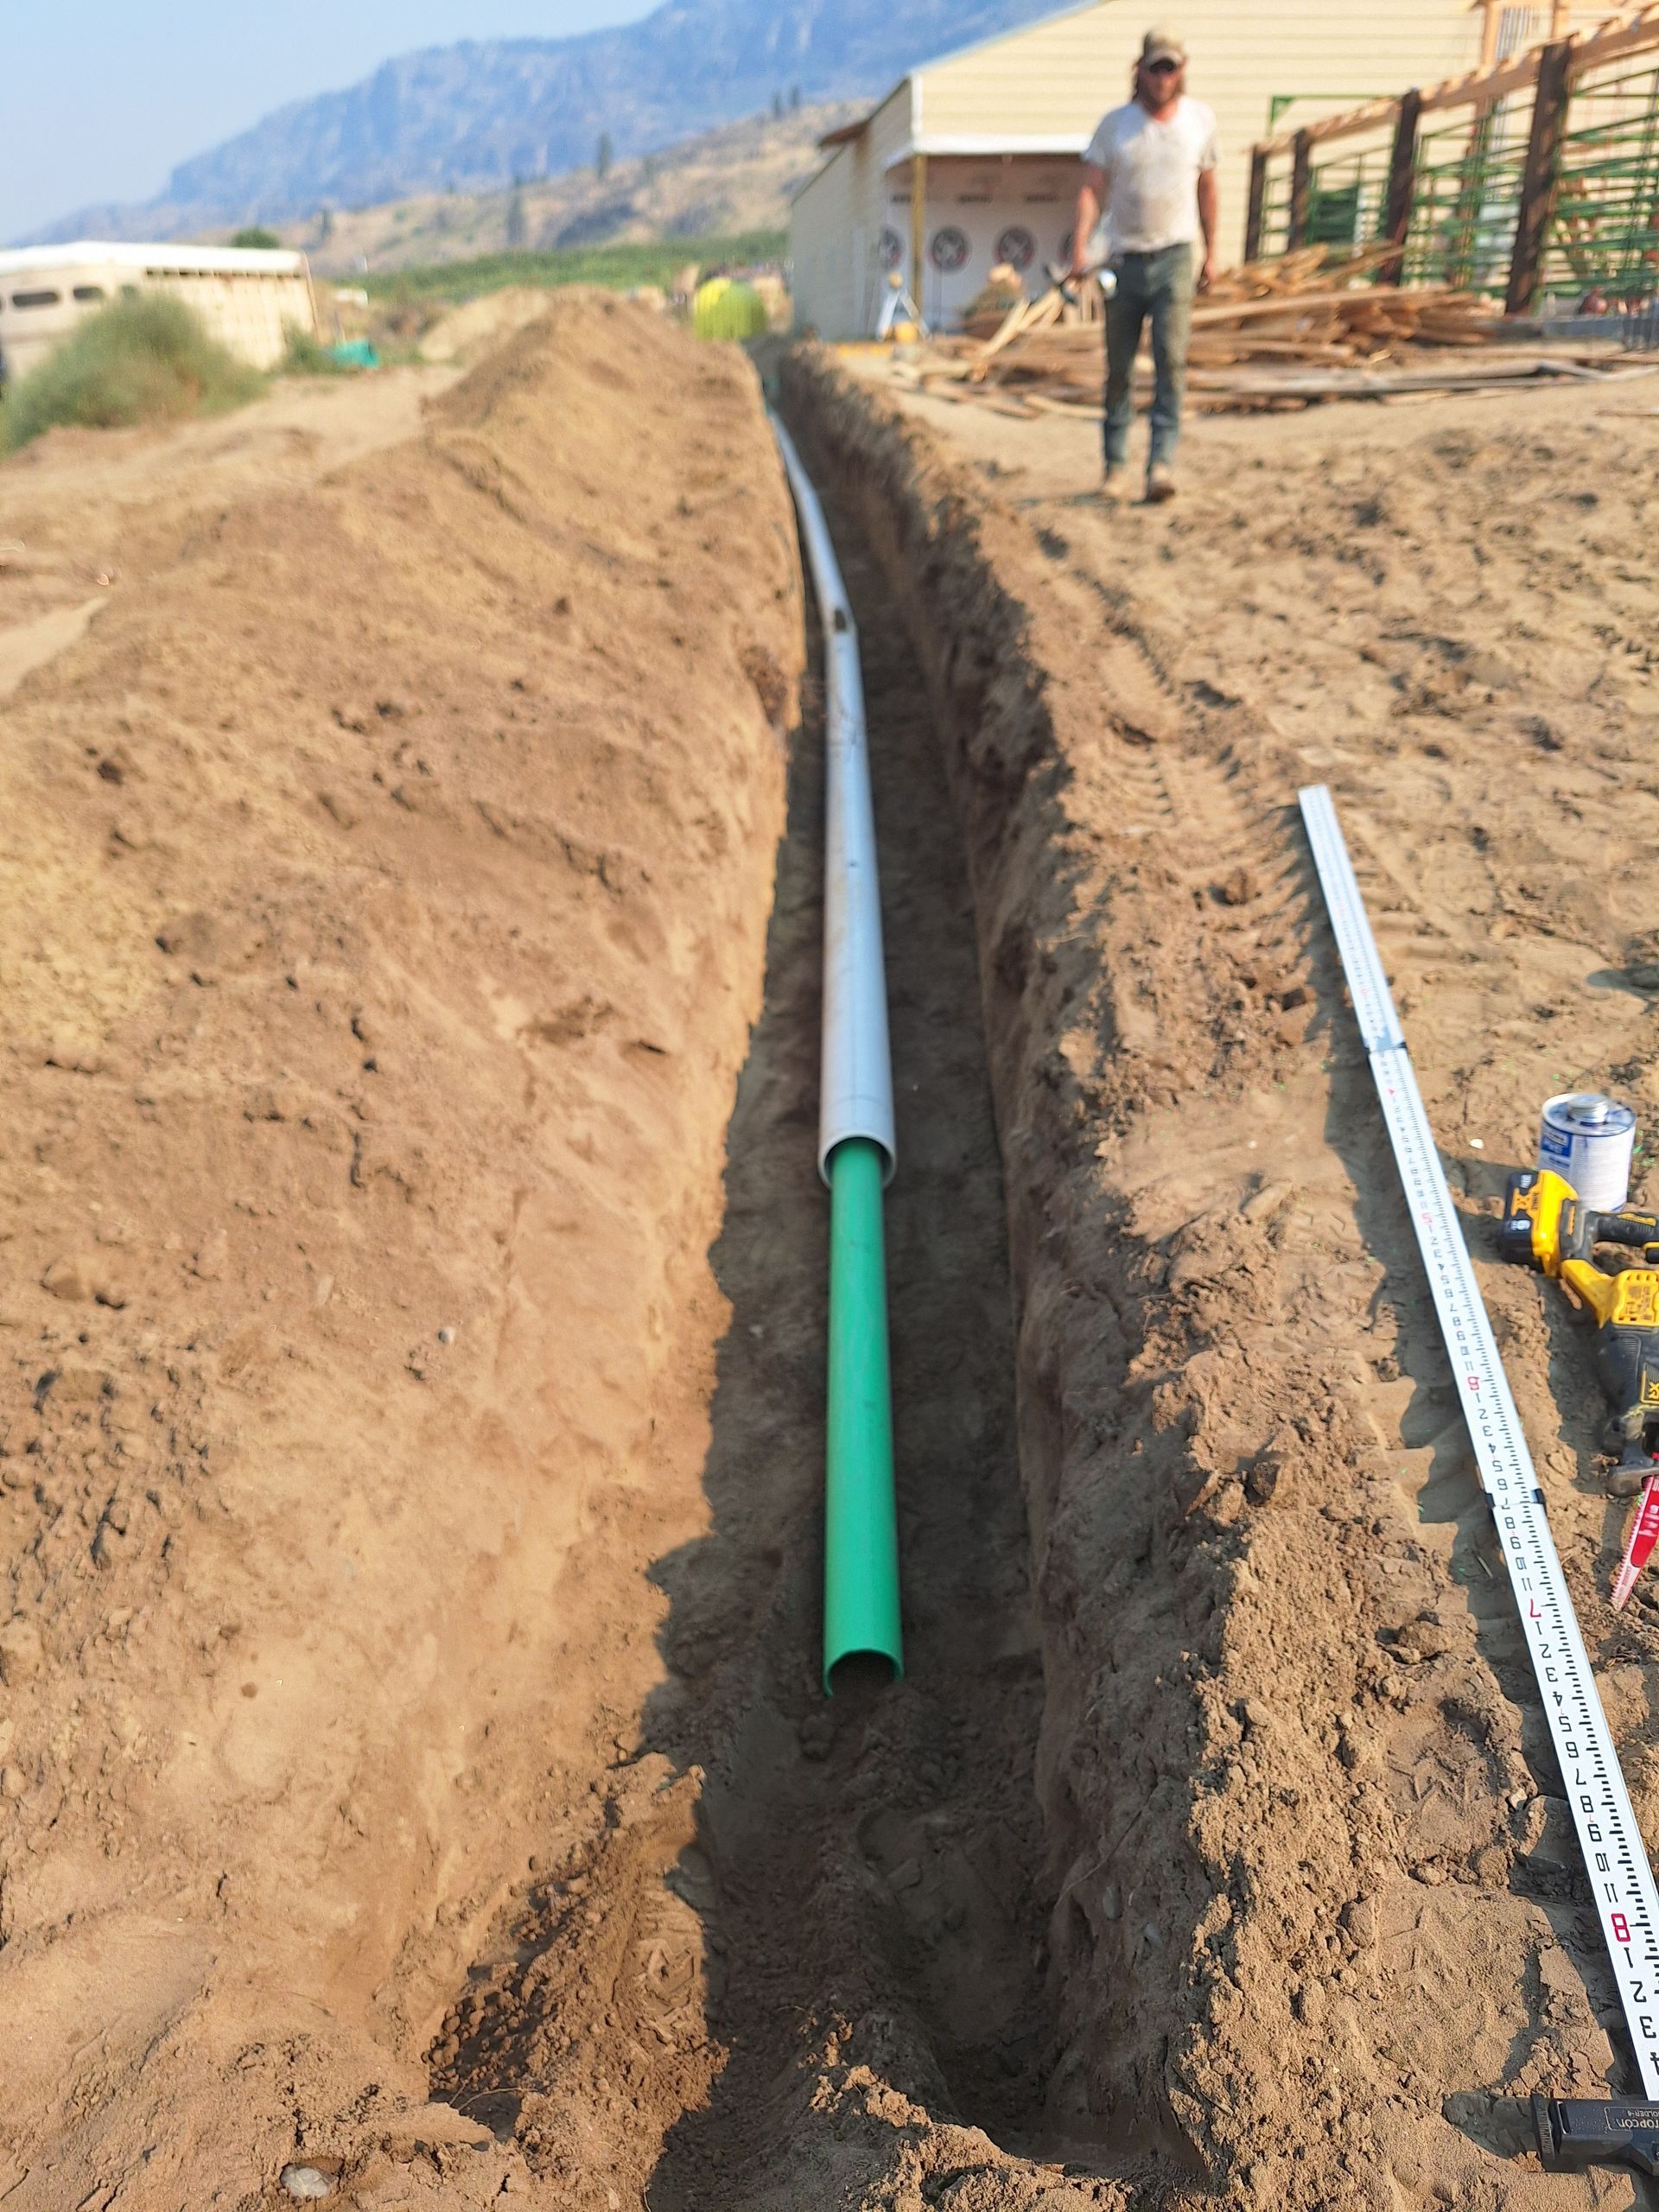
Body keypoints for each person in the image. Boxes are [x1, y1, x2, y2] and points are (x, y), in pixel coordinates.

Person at [1067, 28, 1218, 504]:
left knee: (1171, 362)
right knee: (1120, 368)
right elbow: (1091, 189)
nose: (1162, 78)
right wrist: (1079, 246)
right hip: (1124, 258)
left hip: (1175, 256)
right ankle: (1115, 467)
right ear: (1140, 70)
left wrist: (1213, 252)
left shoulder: (1198, 121)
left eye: (1170, 68)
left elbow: (1207, 188)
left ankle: (1160, 466)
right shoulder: (1116, 126)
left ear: (1181, 71)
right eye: (1155, 68)